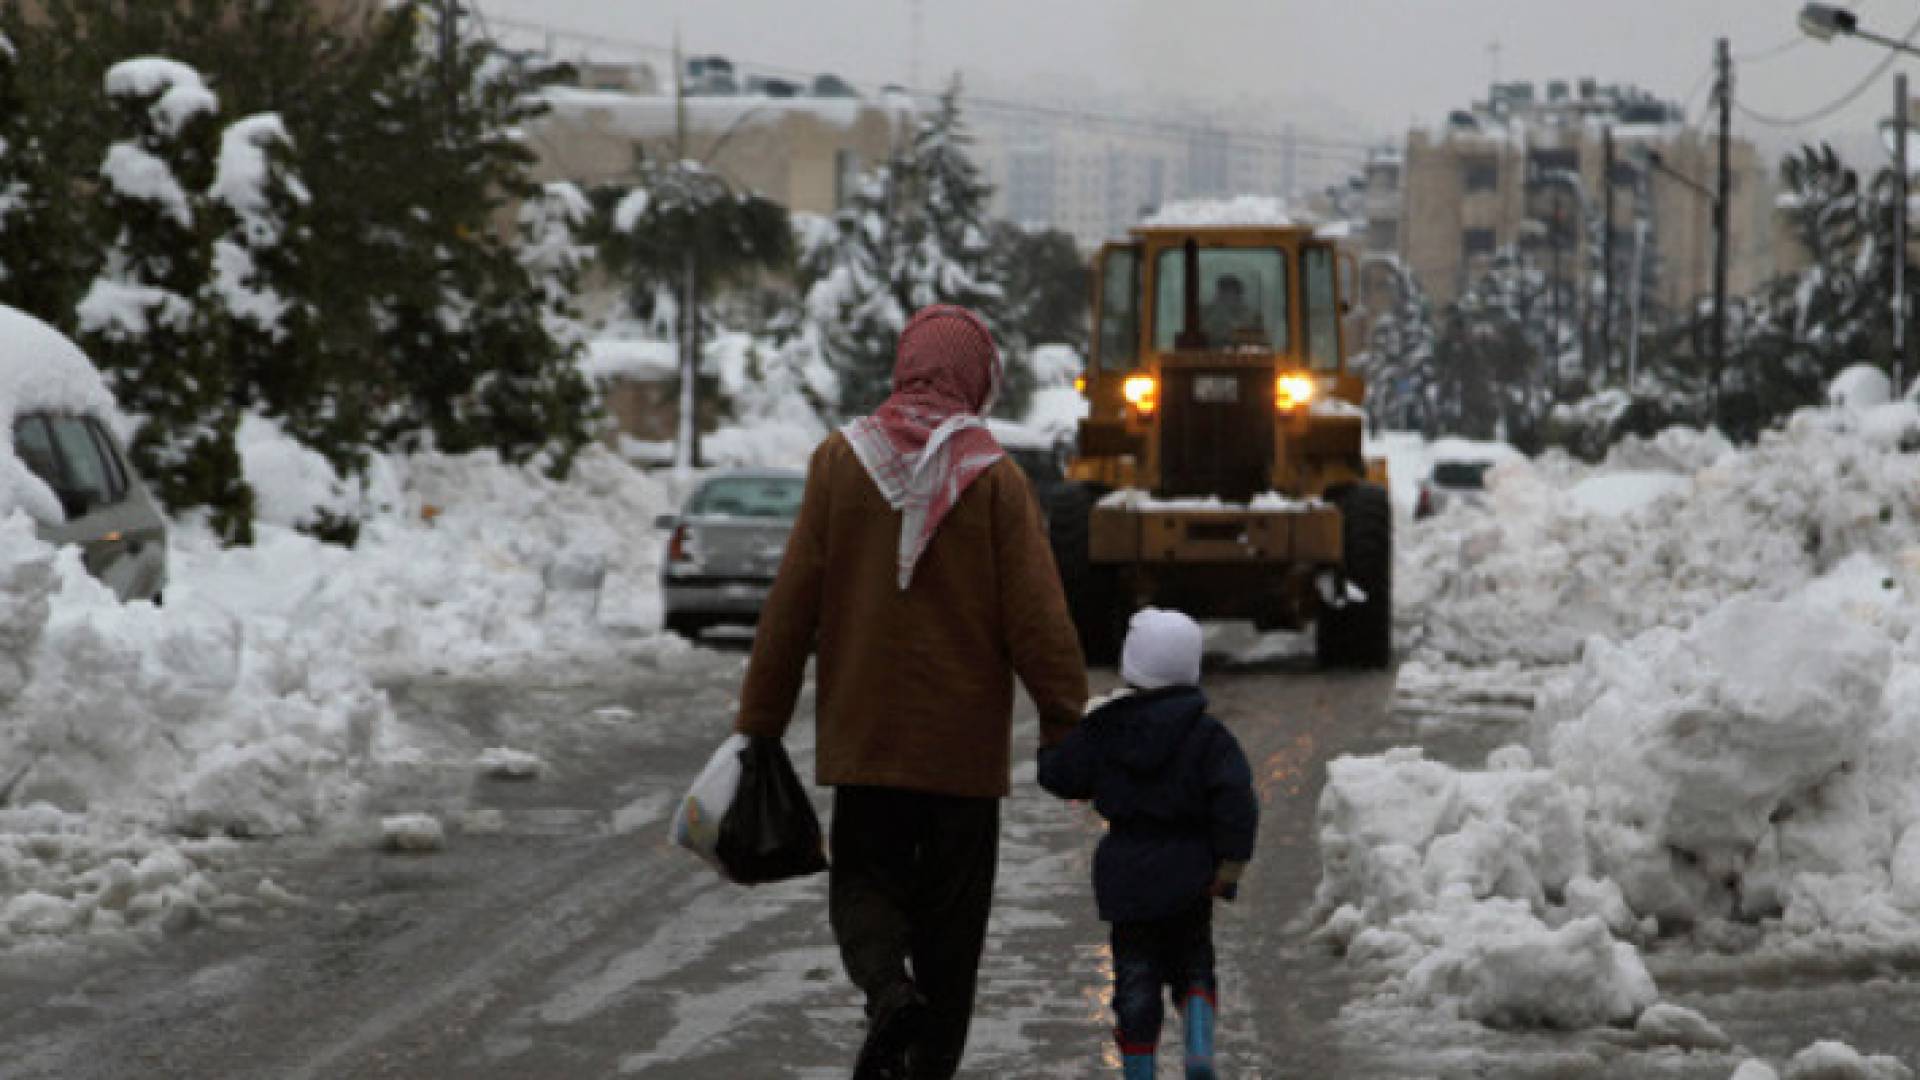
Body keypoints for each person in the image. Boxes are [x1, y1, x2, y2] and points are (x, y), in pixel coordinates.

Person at [734, 304, 1089, 1080]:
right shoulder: (992, 477)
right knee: (952, 934)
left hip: (864, 742)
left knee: (864, 887)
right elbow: (1038, 618)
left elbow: (792, 602)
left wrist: (760, 722)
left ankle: (889, 992)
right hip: (962, 760)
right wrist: (1066, 718)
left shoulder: (840, 462)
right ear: (976, 377)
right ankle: (929, 1060)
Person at [1038, 608, 1259, 1080]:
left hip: (1128, 876)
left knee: (1136, 977)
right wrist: (1230, 866)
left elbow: (1062, 777)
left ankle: (1140, 1068)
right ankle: (1198, 1040)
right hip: (1190, 871)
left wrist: (1053, 743)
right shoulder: (1208, 736)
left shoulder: (1103, 728)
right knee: (1193, 961)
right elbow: (1236, 800)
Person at [1202, 274, 1255, 345]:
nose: (1224, 295)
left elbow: (1245, 332)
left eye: (1229, 291)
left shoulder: (1246, 313)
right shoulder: (1207, 310)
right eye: (1222, 291)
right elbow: (1204, 330)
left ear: (1237, 294)